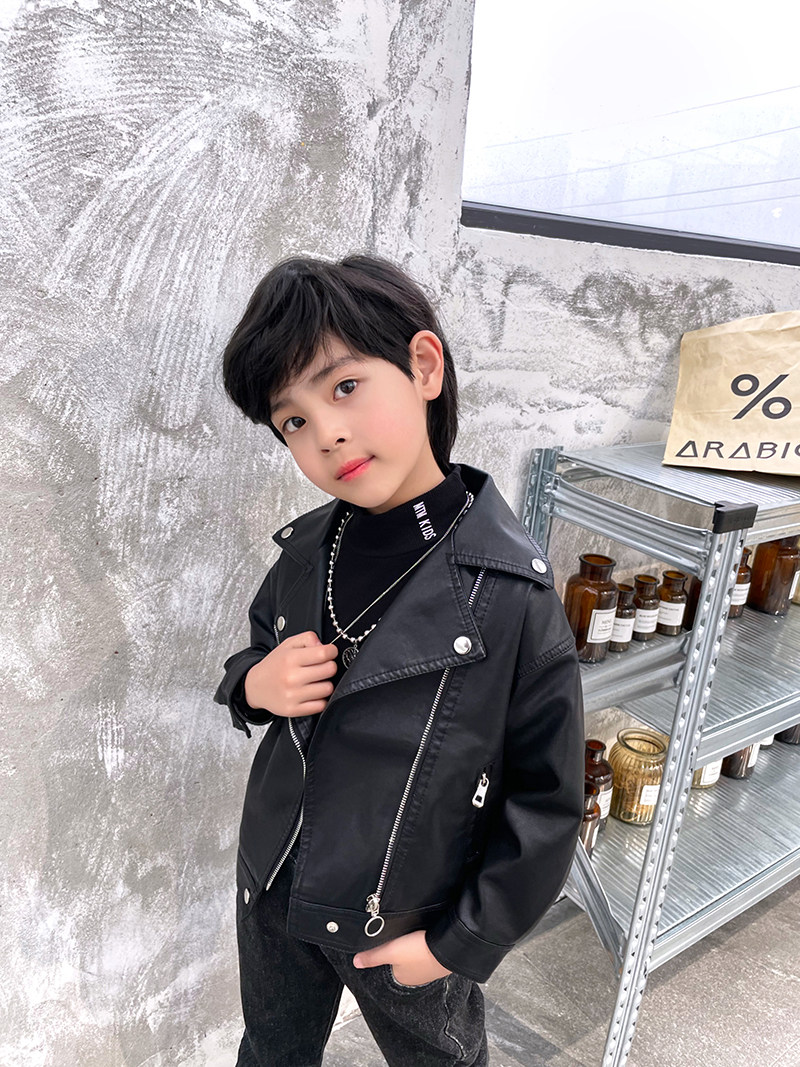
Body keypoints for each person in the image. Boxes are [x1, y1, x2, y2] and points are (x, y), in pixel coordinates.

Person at [213, 253, 585, 1067]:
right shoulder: (308, 551)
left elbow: (548, 802)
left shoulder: (511, 594)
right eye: (293, 422)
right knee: (271, 1051)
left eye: (344, 386)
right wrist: (255, 683)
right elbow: (254, 653)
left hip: (404, 914)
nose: (326, 433)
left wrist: (459, 942)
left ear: (423, 365)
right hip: (274, 880)